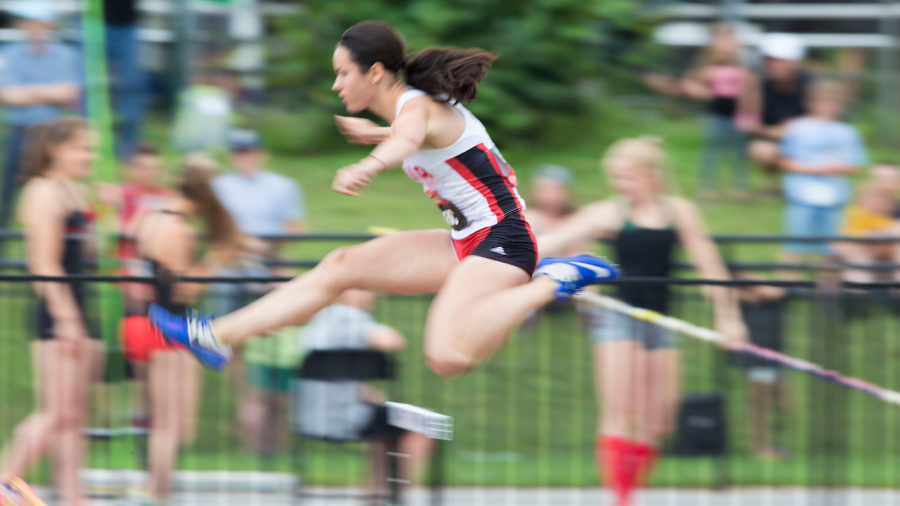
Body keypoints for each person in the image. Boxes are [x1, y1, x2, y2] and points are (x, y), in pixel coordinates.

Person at [148, 20, 618, 376]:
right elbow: (414, 137)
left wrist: (370, 163)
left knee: (446, 356)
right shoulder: (411, 111)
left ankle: (551, 282)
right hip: (466, 240)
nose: (336, 85)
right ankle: (215, 337)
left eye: (342, 74)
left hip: (503, 240)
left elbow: (408, 139)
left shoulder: (416, 108)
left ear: (374, 72)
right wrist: (375, 134)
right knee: (340, 266)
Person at [538, 138, 748, 506]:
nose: (621, 185)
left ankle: (630, 492)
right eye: (616, 178)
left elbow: (710, 265)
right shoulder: (610, 213)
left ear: (651, 176)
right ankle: (621, 499)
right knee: (621, 412)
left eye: (628, 178)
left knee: (658, 422)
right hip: (619, 318)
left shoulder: (678, 212)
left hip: (662, 322)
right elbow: (553, 241)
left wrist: (729, 318)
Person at [120, 155, 244, 505]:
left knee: (159, 419)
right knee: (170, 425)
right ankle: (157, 495)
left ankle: (151, 491)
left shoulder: (150, 214)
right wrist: (217, 260)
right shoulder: (180, 230)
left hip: (140, 323)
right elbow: (185, 289)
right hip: (167, 330)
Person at [0, 118, 96, 506]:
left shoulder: (72, 190)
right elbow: (44, 265)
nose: (89, 155)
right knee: (54, 412)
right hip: (58, 314)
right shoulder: (41, 193)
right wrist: (67, 319)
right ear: (56, 149)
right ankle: (6, 485)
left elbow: (83, 256)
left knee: (72, 416)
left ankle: (74, 497)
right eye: (82, 148)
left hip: (77, 306)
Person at [296, 289, 434, 500]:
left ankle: (375, 494)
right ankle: (397, 493)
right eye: (365, 289)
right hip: (348, 419)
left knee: (385, 428)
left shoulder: (318, 322)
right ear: (344, 292)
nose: (373, 295)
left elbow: (337, 376)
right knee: (426, 423)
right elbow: (391, 340)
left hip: (311, 418)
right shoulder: (351, 317)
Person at [0, 1, 82, 231]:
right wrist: (50, 91)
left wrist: (27, 92)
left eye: (35, 20)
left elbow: (69, 92)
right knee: (8, 196)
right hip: (20, 133)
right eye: (26, 20)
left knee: (52, 193)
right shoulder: (8, 54)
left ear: (48, 23)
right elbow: (7, 95)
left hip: (50, 136)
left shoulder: (66, 55)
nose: (30, 26)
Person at [779, 80, 867, 268]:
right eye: (824, 101)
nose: (829, 107)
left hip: (835, 197)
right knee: (795, 244)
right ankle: (786, 285)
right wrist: (814, 169)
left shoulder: (848, 132)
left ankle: (825, 291)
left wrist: (837, 168)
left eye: (834, 102)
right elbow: (784, 160)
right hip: (802, 195)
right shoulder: (798, 127)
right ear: (811, 103)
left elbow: (856, 164)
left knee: (830, 248)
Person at [682, 24, 759, 202]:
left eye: (730, 40)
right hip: (716, 116)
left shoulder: (743, 68)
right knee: (711, 154)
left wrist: (750, 115)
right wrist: (702, 92)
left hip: (738, 116)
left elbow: (751, 91)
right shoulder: (707, 67)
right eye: (722, 41)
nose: (727, 45)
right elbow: (690, 82)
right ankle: (707, 188)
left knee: (739, 154)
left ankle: (739, 188)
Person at [746, 33, 810, 200]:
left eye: (781, 60)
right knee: (761, 150)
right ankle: (775, 184)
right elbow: (748, 122)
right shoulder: (757, 84)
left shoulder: (810, 84)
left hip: (808, 139)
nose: (775, 65)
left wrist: (797, 128)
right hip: (774, 140)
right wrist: (773, 131)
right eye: (770, 60)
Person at [103, 0, 145, 159]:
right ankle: (92, 142)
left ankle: (129, 147)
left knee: (132, 86)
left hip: (127, 26)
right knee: (94, 88)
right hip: (97, 23)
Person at [835, 182, 900, 283]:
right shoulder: (856, 212)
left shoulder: (883, 217)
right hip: (855, 251)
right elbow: (850, 239)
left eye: (882, 199)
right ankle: (858, 293)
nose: (878, 202)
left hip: (878, 253)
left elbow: (890, 230)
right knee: (859, 258)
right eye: (874, 198)